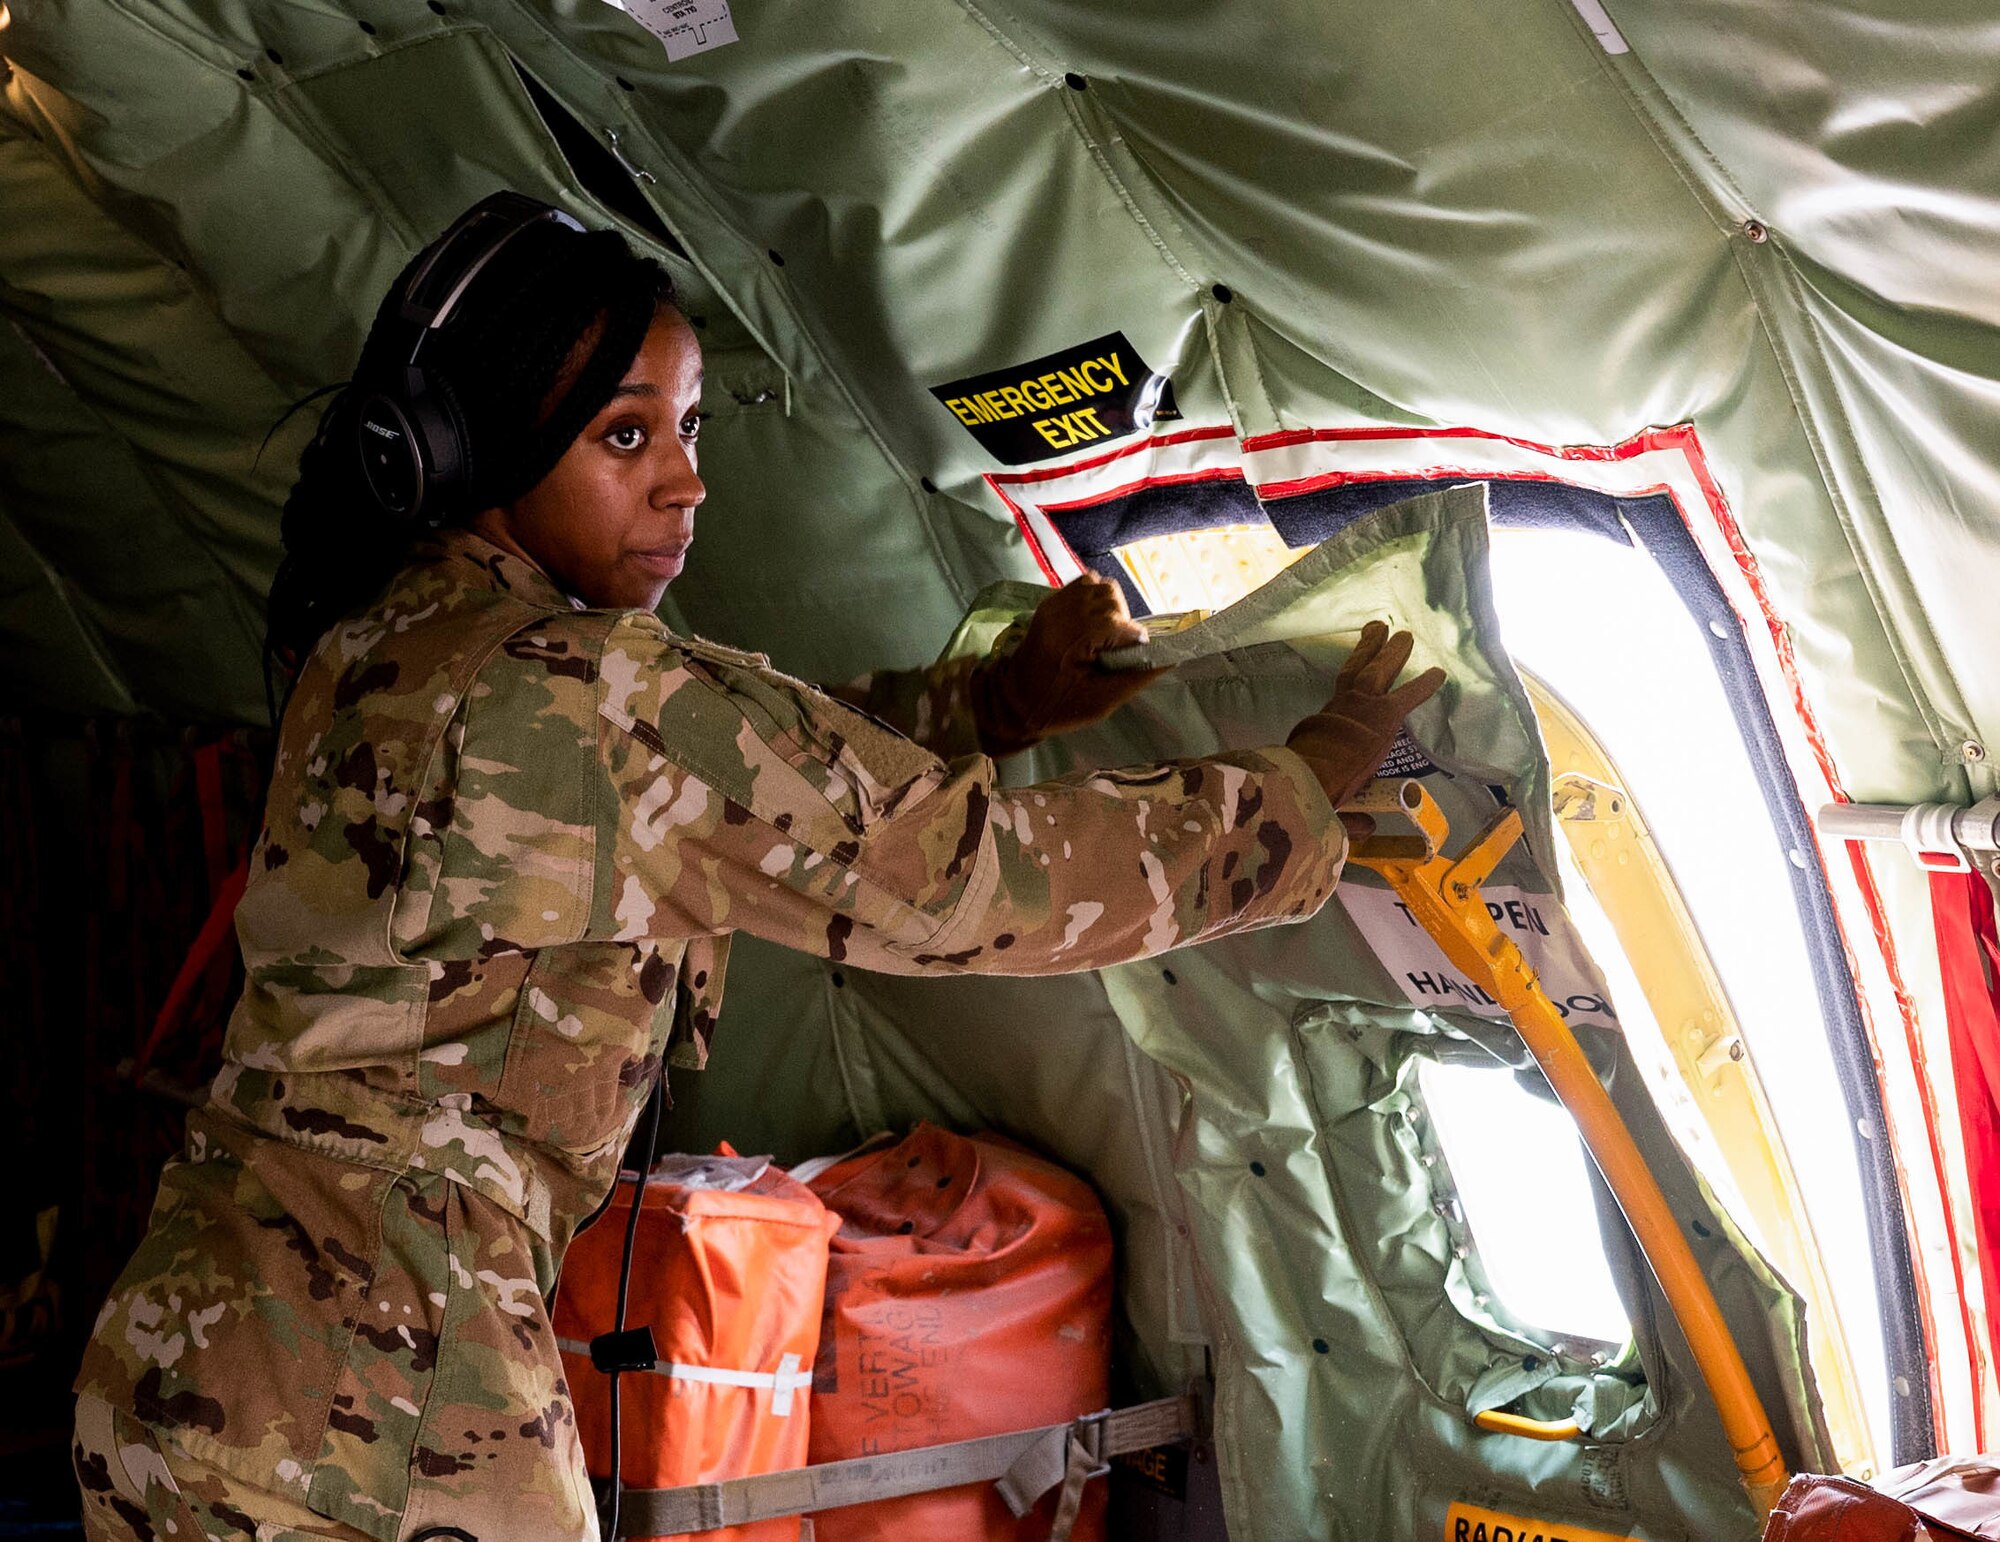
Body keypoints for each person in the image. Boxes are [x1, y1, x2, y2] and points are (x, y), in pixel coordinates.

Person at [71, 197, 1443, 1542]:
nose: (687, 478)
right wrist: (1294, 793)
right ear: (471, 451)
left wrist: (993, 705)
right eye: (624, 435)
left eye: (690, 426)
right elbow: (962, 879)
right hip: (378, 1406)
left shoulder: (380, 647)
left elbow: (743, 790)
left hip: (177, 1362)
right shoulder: (593, 693)